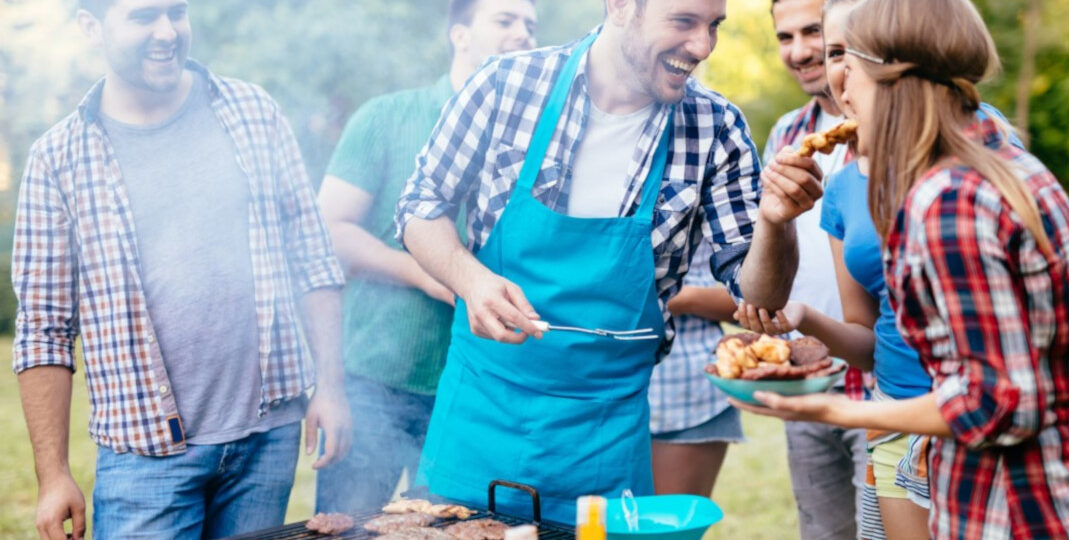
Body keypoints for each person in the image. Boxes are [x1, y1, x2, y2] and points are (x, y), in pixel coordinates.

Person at [733, 0, 1069, 538]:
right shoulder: (1019, 171)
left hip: (1009, 507)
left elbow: (998, 404)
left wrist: (832, 412)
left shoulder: (947, 202)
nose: (842, 94)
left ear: (896, 77)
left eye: (849, 71)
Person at [396, 0, 818, 524]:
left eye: (714, 26)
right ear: (620, 6)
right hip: (479, 419)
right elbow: (420, 205)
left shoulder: (715, 127)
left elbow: (759, 297)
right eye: (684, 21)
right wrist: (472, 280)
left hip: (603, 441)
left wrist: (777, 223)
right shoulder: (505, 85)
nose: (703, 46)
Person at [11, 0, 351, 538]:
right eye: (144, 16)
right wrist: (53, 475)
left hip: (268, 438)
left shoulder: (253, 112)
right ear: (90, 27)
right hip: (144, 457)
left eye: (177, 11)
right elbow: (44, 331)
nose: (167, 31)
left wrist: (330, 387)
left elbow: (312, 258)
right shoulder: (58, 158)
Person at [314, 0, 538, 514]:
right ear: (459, 34)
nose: (523, 34)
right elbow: (328, 230)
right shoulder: (386, 117)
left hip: (481, 388)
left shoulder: (536, 142)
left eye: (530, 25)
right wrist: (426, 272)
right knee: (350, 526)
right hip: (376, 380)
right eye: (504, 20)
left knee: (457, 528)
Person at [735, 1, 869, 538]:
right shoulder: (787, 135)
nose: (801, 51)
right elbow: (768, 274)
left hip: (888, 381)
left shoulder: (902, 129)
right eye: (785, 37)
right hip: (809, 376)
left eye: (813, 33)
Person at [649, 242, 740, 497]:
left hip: (686, 397)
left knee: (668, 531)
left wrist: (678, 297)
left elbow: (760, 299)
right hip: (595, 393)